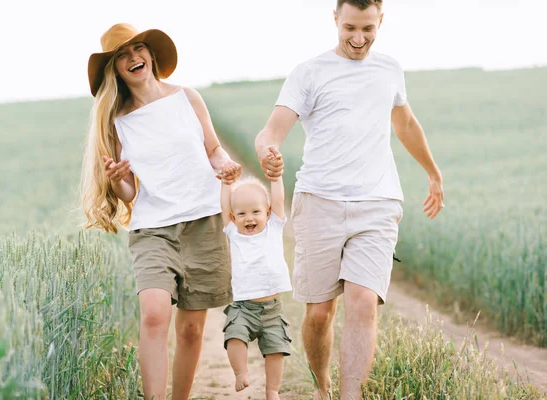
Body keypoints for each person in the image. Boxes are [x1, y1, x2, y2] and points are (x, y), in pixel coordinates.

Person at [254, 1, 445, 399]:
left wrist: (432, 171)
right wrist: (268, 153)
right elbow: (270, 132)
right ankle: (323, 386)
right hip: (319, 202)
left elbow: (405, 124)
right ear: (335, 20)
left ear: (381, 22)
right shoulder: (309, 73)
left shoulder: (389, 69)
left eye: (368, 29)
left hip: (378, 204)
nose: (359, 39)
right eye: (350, 28)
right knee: (320, 313)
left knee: (362, 304)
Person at [80, 23, 242, 400]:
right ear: (115, 69)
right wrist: (117, 179)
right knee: (153, 314)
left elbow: (213, 149)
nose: (133, 57)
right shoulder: (117, 120)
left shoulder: (188, 97)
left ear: (151, 55)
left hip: (204, 221)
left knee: (191, 330)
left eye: (138, 49)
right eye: (122, 55)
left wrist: (226, 164)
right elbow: (128, 191)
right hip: (154, 229)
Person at [219, 151, 292, 399]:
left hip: (272, 309)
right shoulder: (234, 233)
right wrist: (226, 184)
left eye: (255, 212)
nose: (249, 218)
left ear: (268, 212)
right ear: (233, 218)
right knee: (234, 337)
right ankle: (240, 372)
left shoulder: (273, 228)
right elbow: (223, 205)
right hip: (243, 306)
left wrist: (276, 178)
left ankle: (272, 390)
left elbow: (279, 200)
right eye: (241, 214)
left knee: (276, 350)